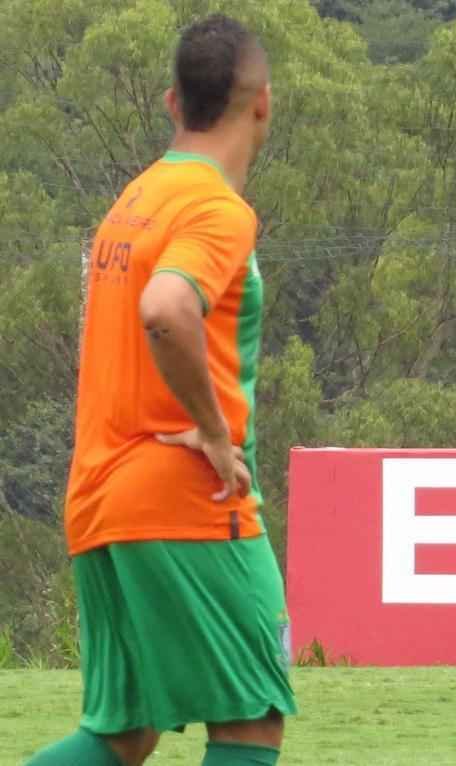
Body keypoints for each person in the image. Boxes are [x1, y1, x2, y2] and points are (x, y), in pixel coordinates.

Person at [27, 14, 295, 766]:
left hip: (100, 496)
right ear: (263, 102)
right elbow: (166, 310)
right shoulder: (216, 209)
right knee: (252, 719)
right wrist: (214, 430)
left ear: (172, 102)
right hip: (186, 495)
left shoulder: (135, 198)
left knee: (121, 733)